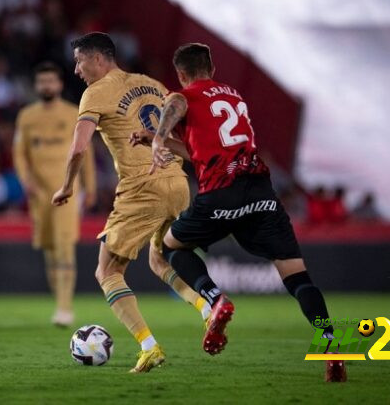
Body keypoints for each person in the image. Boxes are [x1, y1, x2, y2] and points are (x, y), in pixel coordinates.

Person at [135, 43, 346, 381]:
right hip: (262, 194)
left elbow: (176, 102)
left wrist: (159, 139)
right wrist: (155, 140)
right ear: (212, 69)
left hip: (221, 194)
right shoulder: (234, 96)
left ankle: (215, 299)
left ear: (182, 75)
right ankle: (332, 344)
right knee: (296, 276)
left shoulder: (184, 95)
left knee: (171, 246)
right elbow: (201, 153)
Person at [51, 32, 210, 373]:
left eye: (79, 61)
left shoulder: (95, 93)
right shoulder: (150, 84)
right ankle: (207, 308)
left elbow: (79, 148)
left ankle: (149, 346)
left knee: (107, 271)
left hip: (142, 187)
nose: (76, 69)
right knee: (159, 259)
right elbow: (183, 129)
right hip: (178, 182)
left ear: (98, 58)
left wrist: (66, 187)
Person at [13, 61, 97, 327]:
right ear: (37, 86)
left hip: (68, 190)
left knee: (64, 247)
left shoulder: (74, 113)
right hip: (39, 195)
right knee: (49, 249)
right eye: (42, 81)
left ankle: (65, 308)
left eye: (51, 81)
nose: (46, 86)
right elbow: (19, 153)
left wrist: (91, 187)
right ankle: (59, 303)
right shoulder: (26, 117)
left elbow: (88, 153)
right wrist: (26, 181)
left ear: (60, 84)